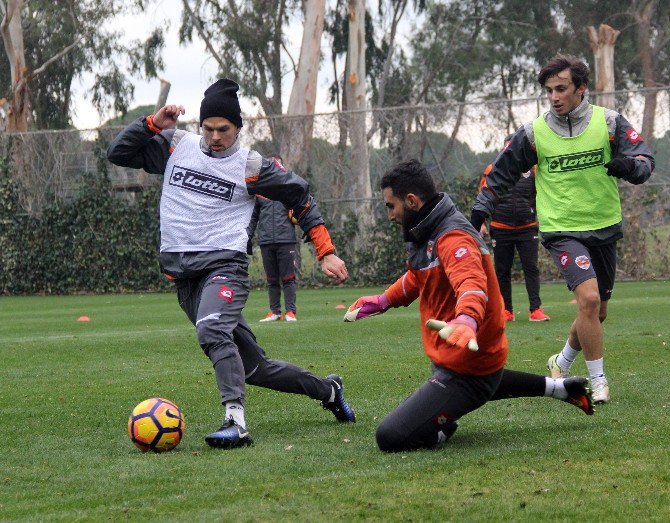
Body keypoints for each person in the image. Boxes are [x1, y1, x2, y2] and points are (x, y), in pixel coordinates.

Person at [106, 78, 355, 449]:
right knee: (255, 368)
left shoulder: (251, 165)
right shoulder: (177, 146)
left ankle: (235, 420)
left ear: (238, 128)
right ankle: (329, 390)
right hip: (184, 278)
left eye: (224, 129)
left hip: (226, 268)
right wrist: (153, 123)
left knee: (211, 329)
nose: (215, 136)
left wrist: (326, 251)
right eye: (208, 128)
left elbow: (300, 196)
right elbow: (118, 153)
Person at [344, 159, 593, 453]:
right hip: (466, 364)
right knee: (480, 380)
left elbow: (471, 284)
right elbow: (418, 276)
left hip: (468, 368)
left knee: (390, 436)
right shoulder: (431, 229)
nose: (389, 215)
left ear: (411, 201)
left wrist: (466, 320)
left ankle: (443, 427)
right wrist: (383, 301)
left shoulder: (452, 237)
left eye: (391, 206)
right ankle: (560, 388)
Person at [471, 55, 654, 404]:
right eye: (548, 90)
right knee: (587, 299)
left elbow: (645, 159)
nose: (554, 97)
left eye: (561, 89)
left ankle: (561, 360)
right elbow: (500, 174)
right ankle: (598, 382)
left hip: (603, 226)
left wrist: (629, 166)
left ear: (580, 89)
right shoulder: (533, 133)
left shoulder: (609, 122)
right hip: (561, 229)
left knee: (596, 311)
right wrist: (480, 211)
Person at [479, 136, 549, 322]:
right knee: (502, 270)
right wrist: (481, 224)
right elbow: (483, 197)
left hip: (527, 228)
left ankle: (536, 310)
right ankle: (506, 311)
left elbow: (541, 195)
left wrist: (536, 214)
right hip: (500, 228)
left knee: (531, 268)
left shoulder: (534, 169)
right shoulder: (492, 170)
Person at [247, 155, 299, 322]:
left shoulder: (290, 188)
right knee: (271, 280)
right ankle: (275, 312)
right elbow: (253, 217)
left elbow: (301, 210)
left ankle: (290, 312)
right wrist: (247, 236)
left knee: (288, 278)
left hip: (286, 240)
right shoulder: (260, 192)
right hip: (266, 241)